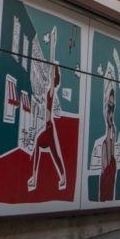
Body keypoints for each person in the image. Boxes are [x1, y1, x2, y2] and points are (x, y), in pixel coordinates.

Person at [29, 64, 68, 192]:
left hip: (49, 127)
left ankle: (35, 178)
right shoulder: (49, 91)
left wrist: (54, 66)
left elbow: (53, 76)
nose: (50, 75)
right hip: (48, 127)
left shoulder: (51, 90)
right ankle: (62, 176)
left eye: (52, 74)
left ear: (55, 78)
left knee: (39, 145)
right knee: (54, 153)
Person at [99, 87, 117, 201]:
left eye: (113, 105)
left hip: (109, 188)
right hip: (105, 189)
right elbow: (107, 166)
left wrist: (110, 127)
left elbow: (111, 161)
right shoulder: (103, 143)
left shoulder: (112, 137)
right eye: (109, 105)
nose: (111, 111)